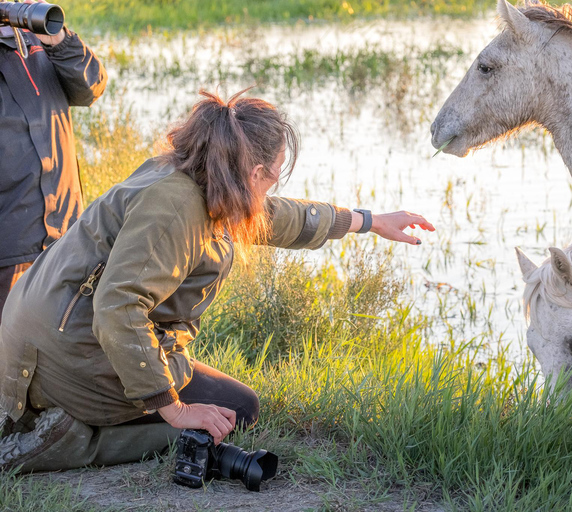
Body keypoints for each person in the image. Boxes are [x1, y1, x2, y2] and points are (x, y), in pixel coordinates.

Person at [0, 88, 434, 472]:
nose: (271, 189)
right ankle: (66, 440)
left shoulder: (195, 175)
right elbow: (118, 306)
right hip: (65, 356)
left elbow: (276, 217)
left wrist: (368, 221)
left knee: (226, 403)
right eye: (273, 176)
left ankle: (55, 410)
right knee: (235, 411)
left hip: (49, 335)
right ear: (253, 173)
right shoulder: (176, 207)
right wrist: (173, 409)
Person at [0, 0, 107, 324]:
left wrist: (58, 39)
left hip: (63, 228)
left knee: (58, 339)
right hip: (11, 238)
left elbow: (90, 87)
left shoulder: (33, 38)